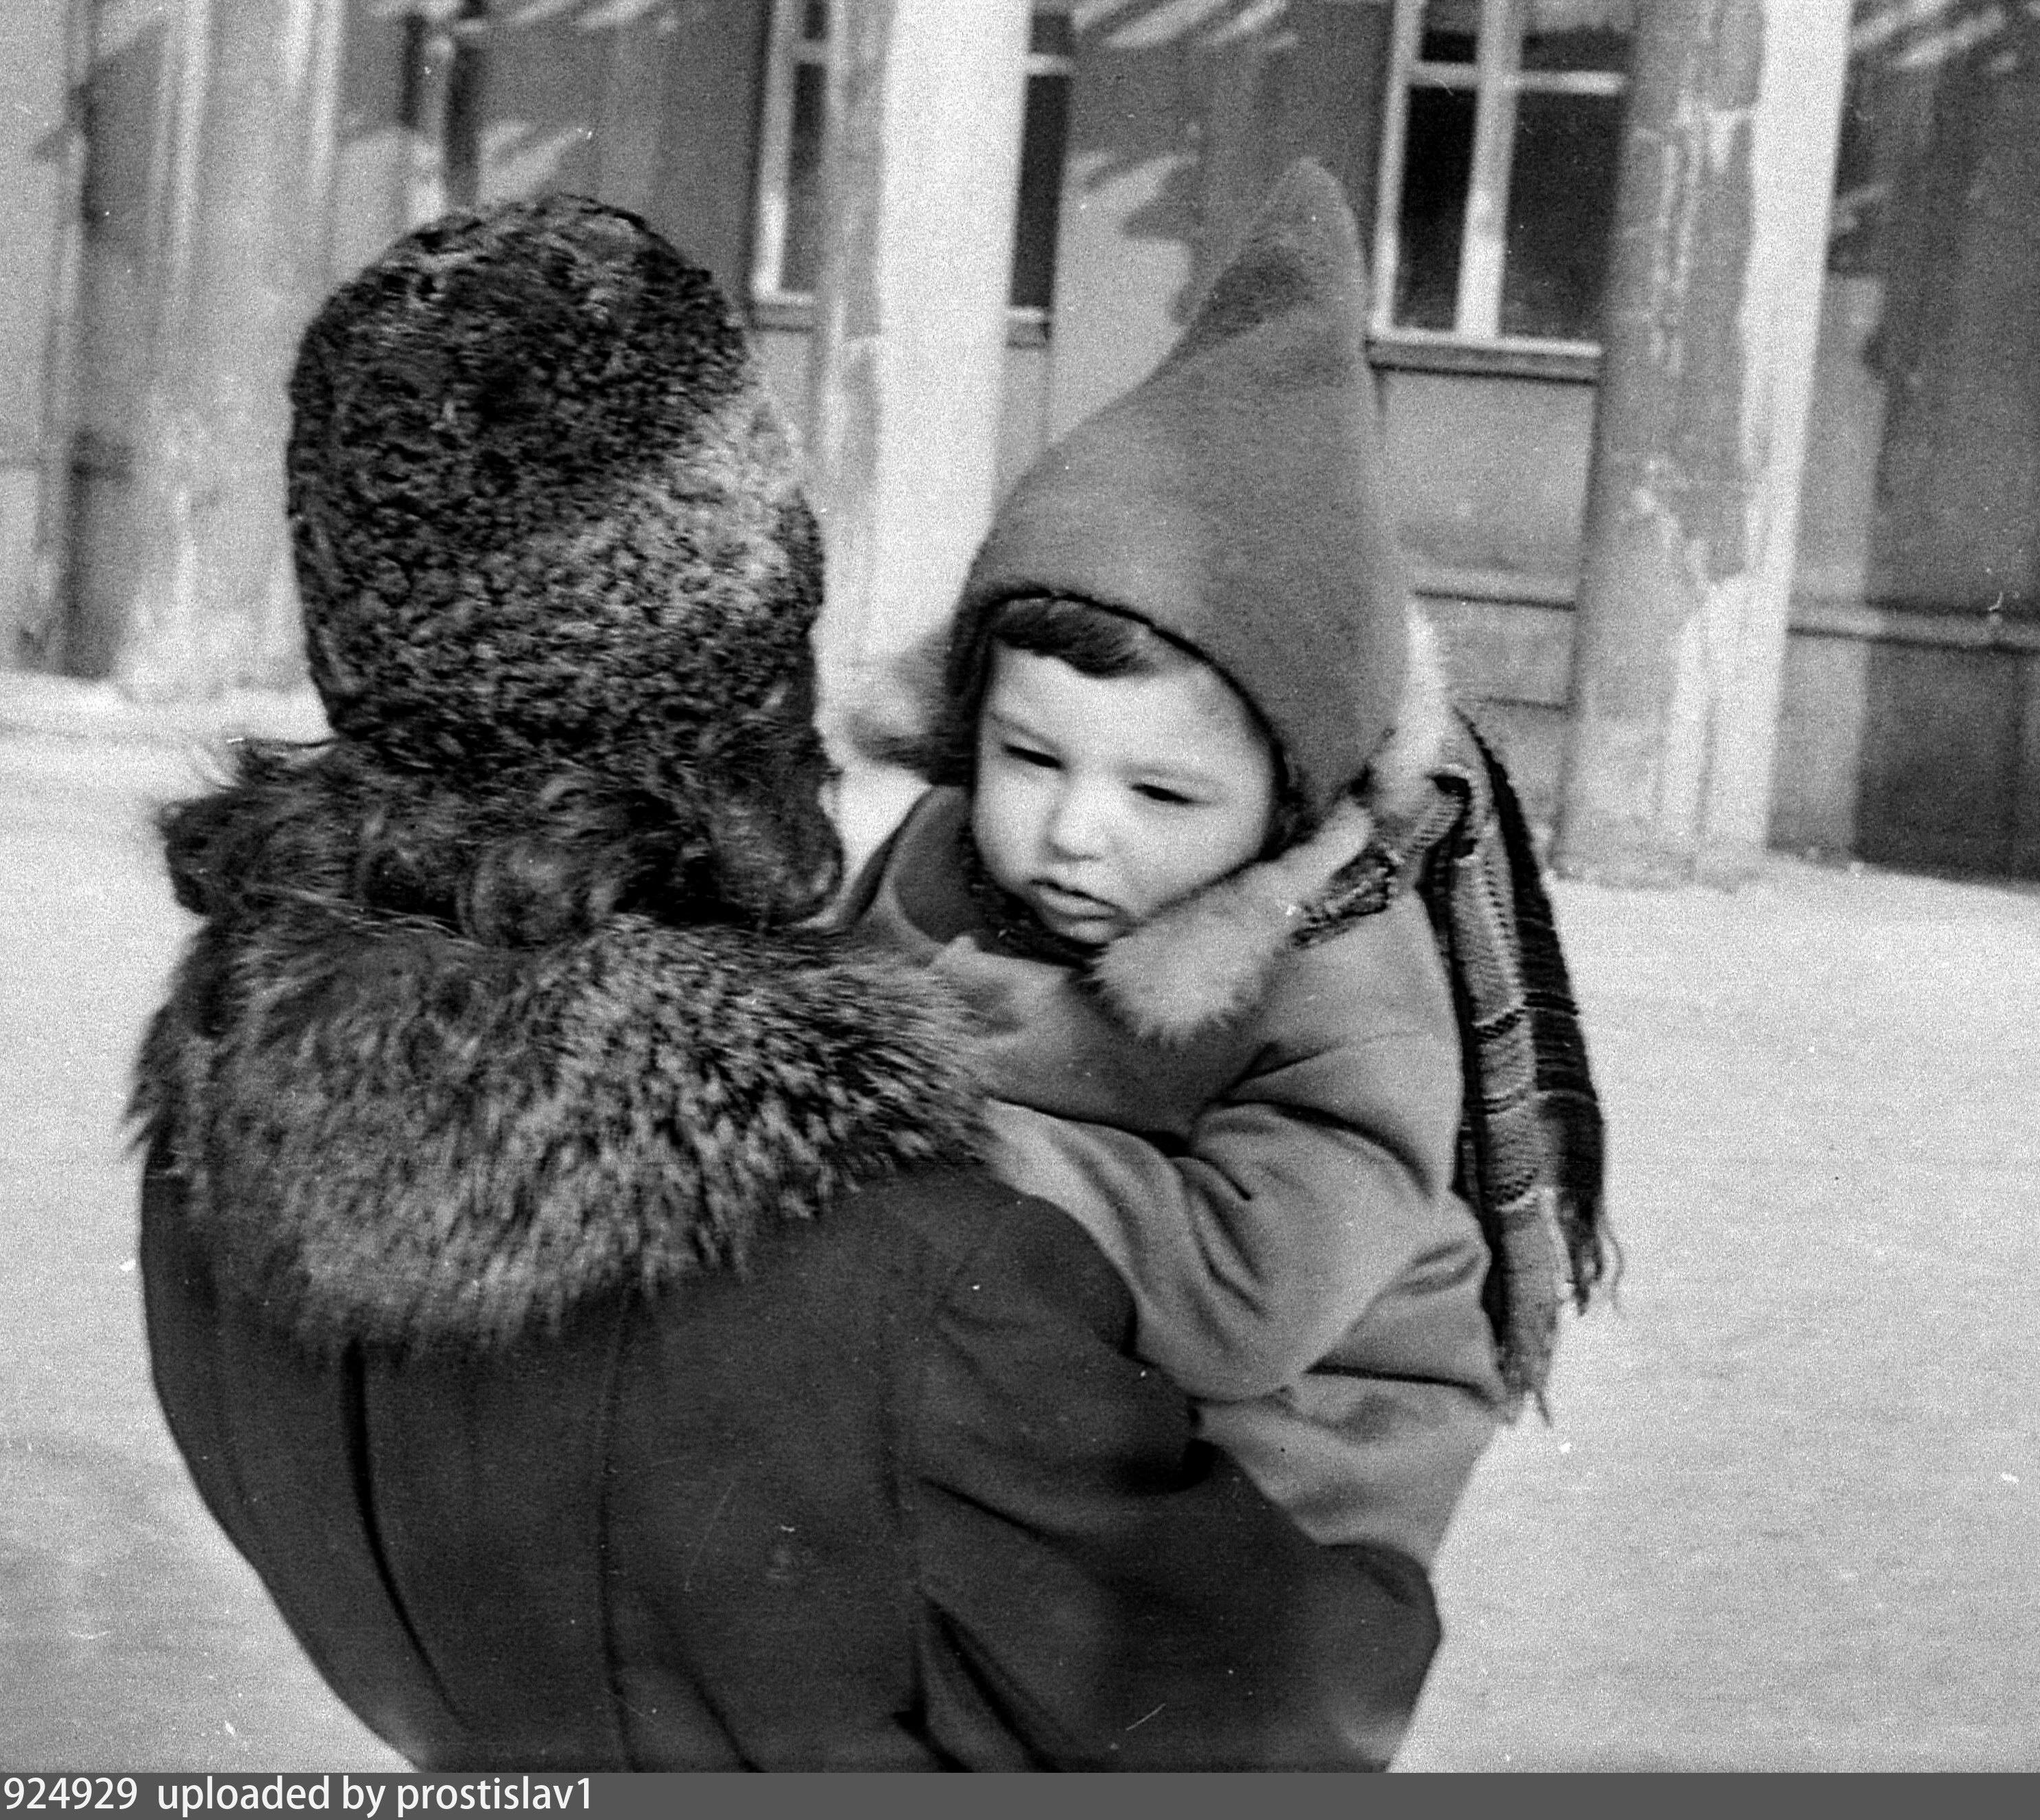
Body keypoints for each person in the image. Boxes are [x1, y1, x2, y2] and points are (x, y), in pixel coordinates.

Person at [129, 192, 1441, 1771]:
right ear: (750, 664)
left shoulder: (214, 1127)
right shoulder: (907, 1273)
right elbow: (1280, 1715)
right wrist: (1389, 1426)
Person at [844, 162, 1609, 1571]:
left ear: (1286, 799)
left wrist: (903, 1125)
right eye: (1029, 756)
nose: (1075, 829)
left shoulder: (1342, 979)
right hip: (1042, 1373)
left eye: (1161, 791)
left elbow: (1239, 1295)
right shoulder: (946, 855)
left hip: (1276, 1498)